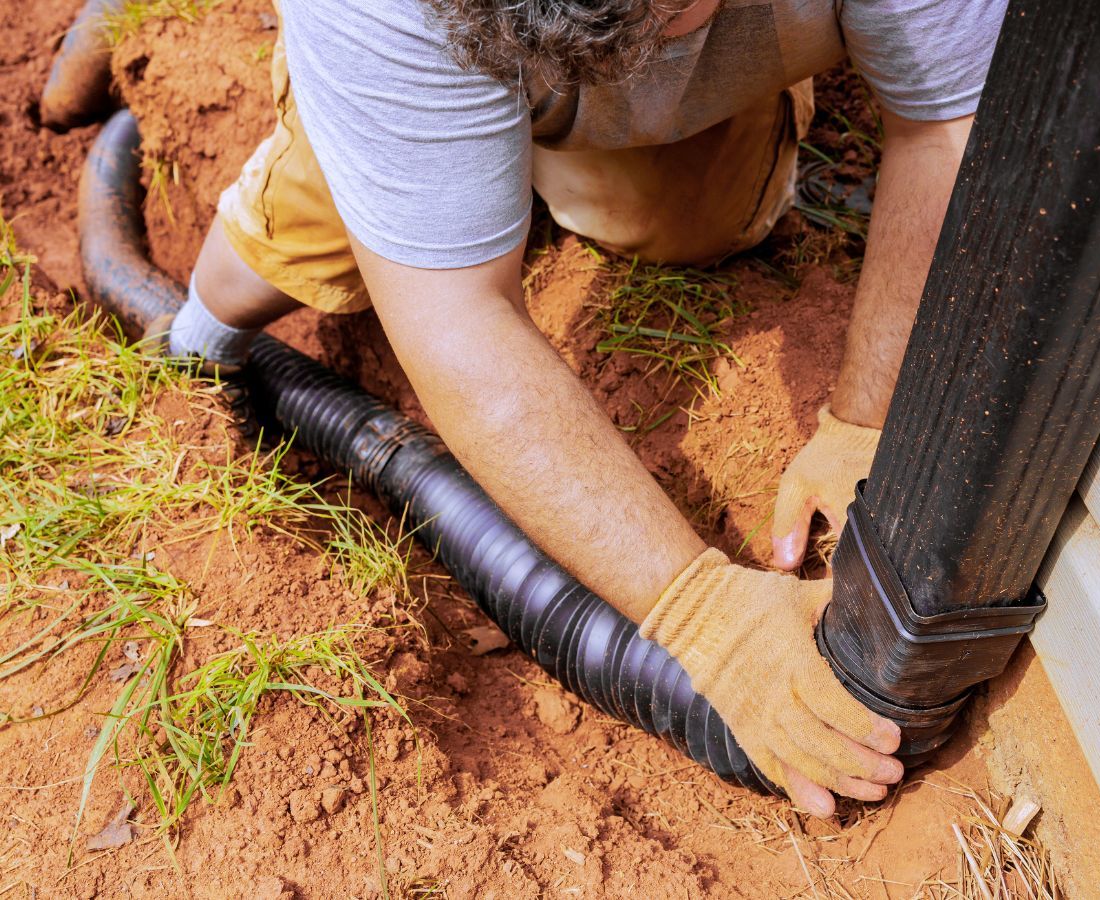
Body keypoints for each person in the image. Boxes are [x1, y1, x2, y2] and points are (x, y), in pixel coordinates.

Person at [152, 0, 1004, 816]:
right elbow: (457, 318)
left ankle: (511, 178)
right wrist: (705, 618)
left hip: (669, 74)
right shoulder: (387, 11)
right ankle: (188, 335)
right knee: (305, 234)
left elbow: (950, 127)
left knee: (697, 221)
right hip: (429, 57)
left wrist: (868, 417)